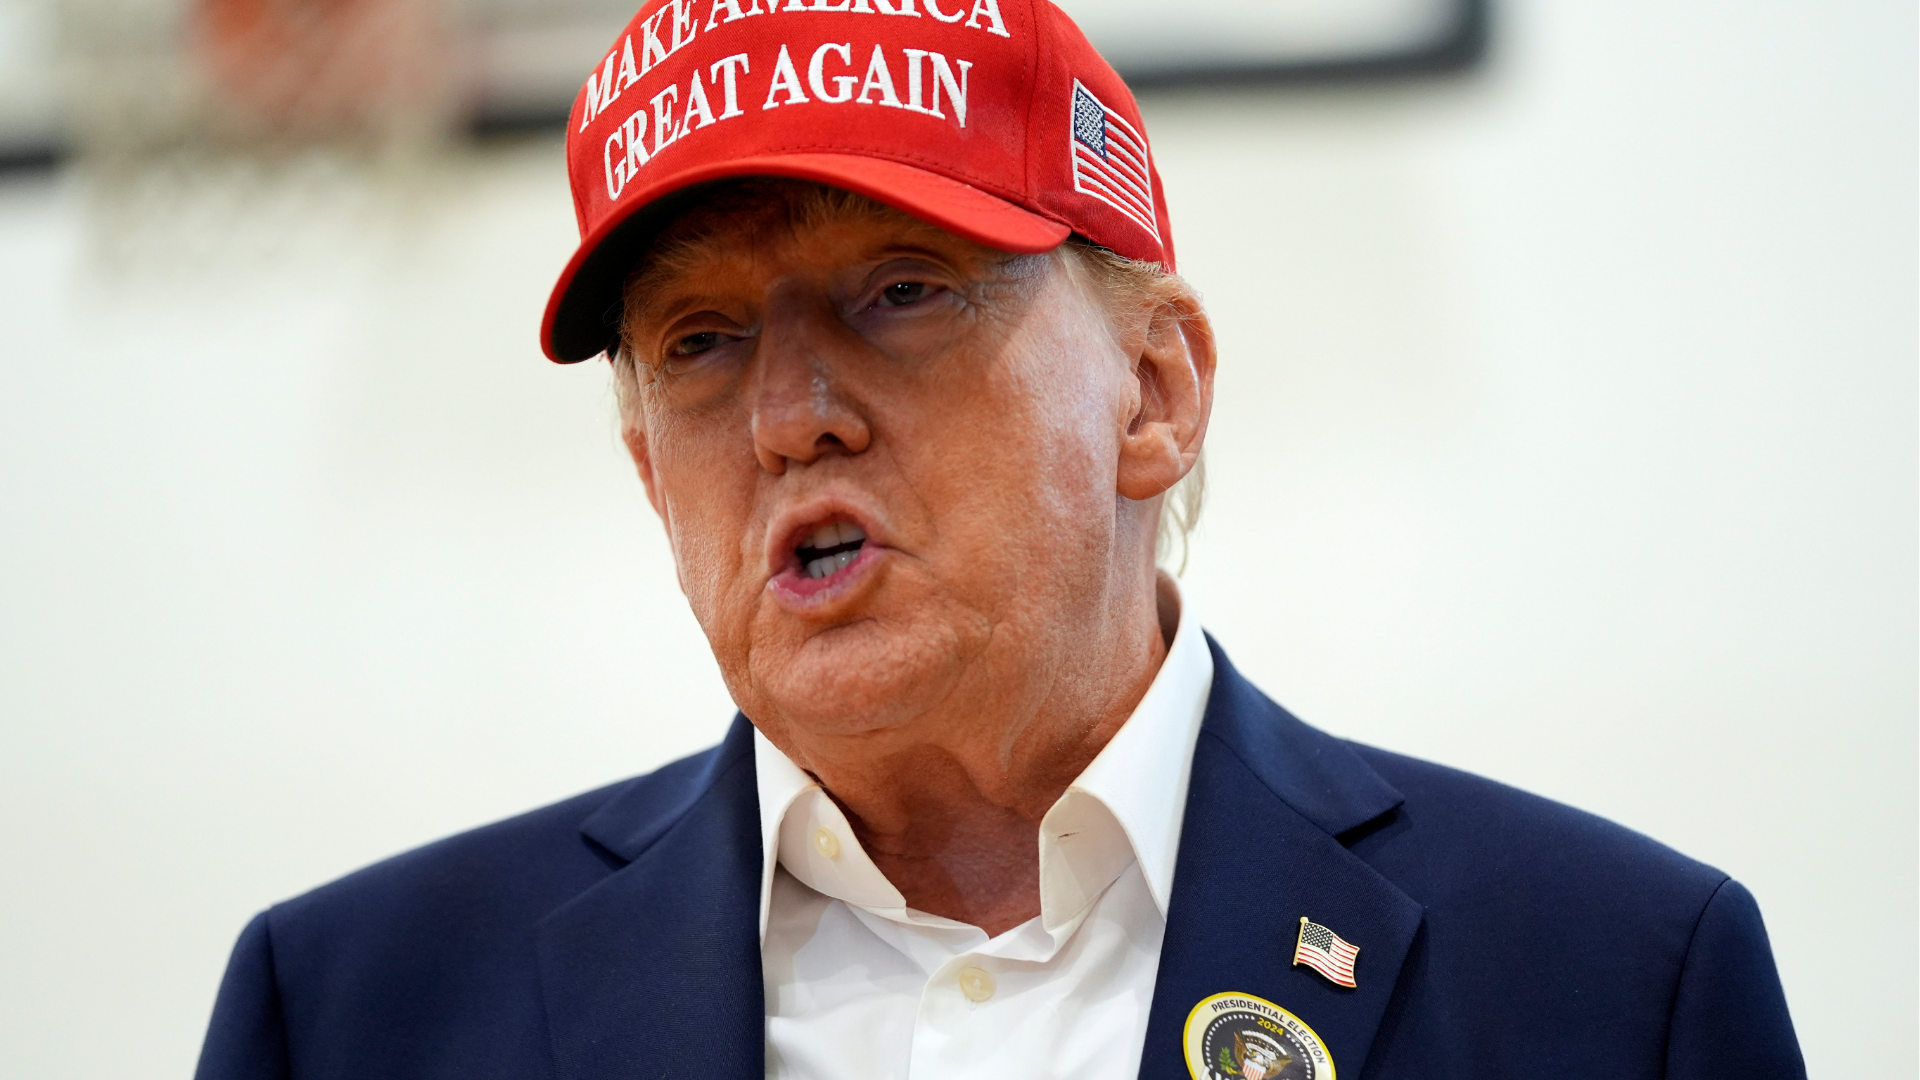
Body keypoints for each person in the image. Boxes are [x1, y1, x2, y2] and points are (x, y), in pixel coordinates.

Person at [195, 2, 1807, 1078]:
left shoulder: (1612, 985)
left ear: (1155, 393)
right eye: (696, 343)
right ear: (642, 470)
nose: (789, 417)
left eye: (900, 291)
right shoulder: (353, 1016)